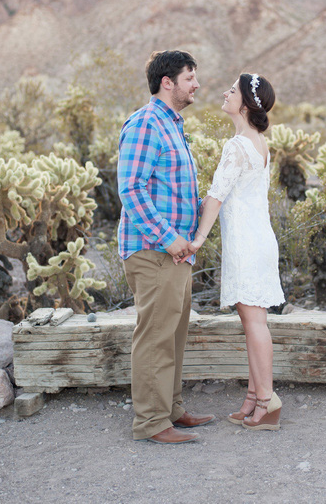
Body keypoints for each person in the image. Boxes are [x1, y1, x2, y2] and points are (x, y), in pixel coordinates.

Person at [117, 50, 215, 444]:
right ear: (167, 82)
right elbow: (131, 189)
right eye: (190, 77)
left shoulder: (172, 126)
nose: (197, 84)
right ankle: (151, 422)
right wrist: (168, 236)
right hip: (154, 250)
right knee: (155, 335)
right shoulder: (146, 123)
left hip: (176, 253)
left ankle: (171, 409)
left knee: (172, 334)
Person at [177, 73, 285, 430]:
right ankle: (254, 398)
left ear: (245, 104)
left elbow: (218, 196)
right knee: (253, 321)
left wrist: (196, 240)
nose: (225, 93)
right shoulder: (258, 142)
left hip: (246, 244)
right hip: (259, 240)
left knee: (253, 323)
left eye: (232, 91)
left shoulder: (237, 145)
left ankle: (267, 401)